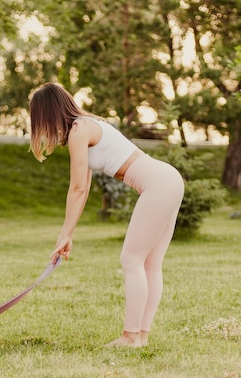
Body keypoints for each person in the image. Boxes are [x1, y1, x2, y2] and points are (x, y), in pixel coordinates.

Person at [28, 83, 185, 347]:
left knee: (131, 260)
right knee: (149, 264)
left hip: (158, 184)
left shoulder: (79, 130)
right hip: (168, 180)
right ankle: (140, 336)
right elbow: (84, 188)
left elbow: (76, 188)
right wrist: (68, 234)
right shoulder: (83, 127)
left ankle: (131, 336)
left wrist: (64, 233)